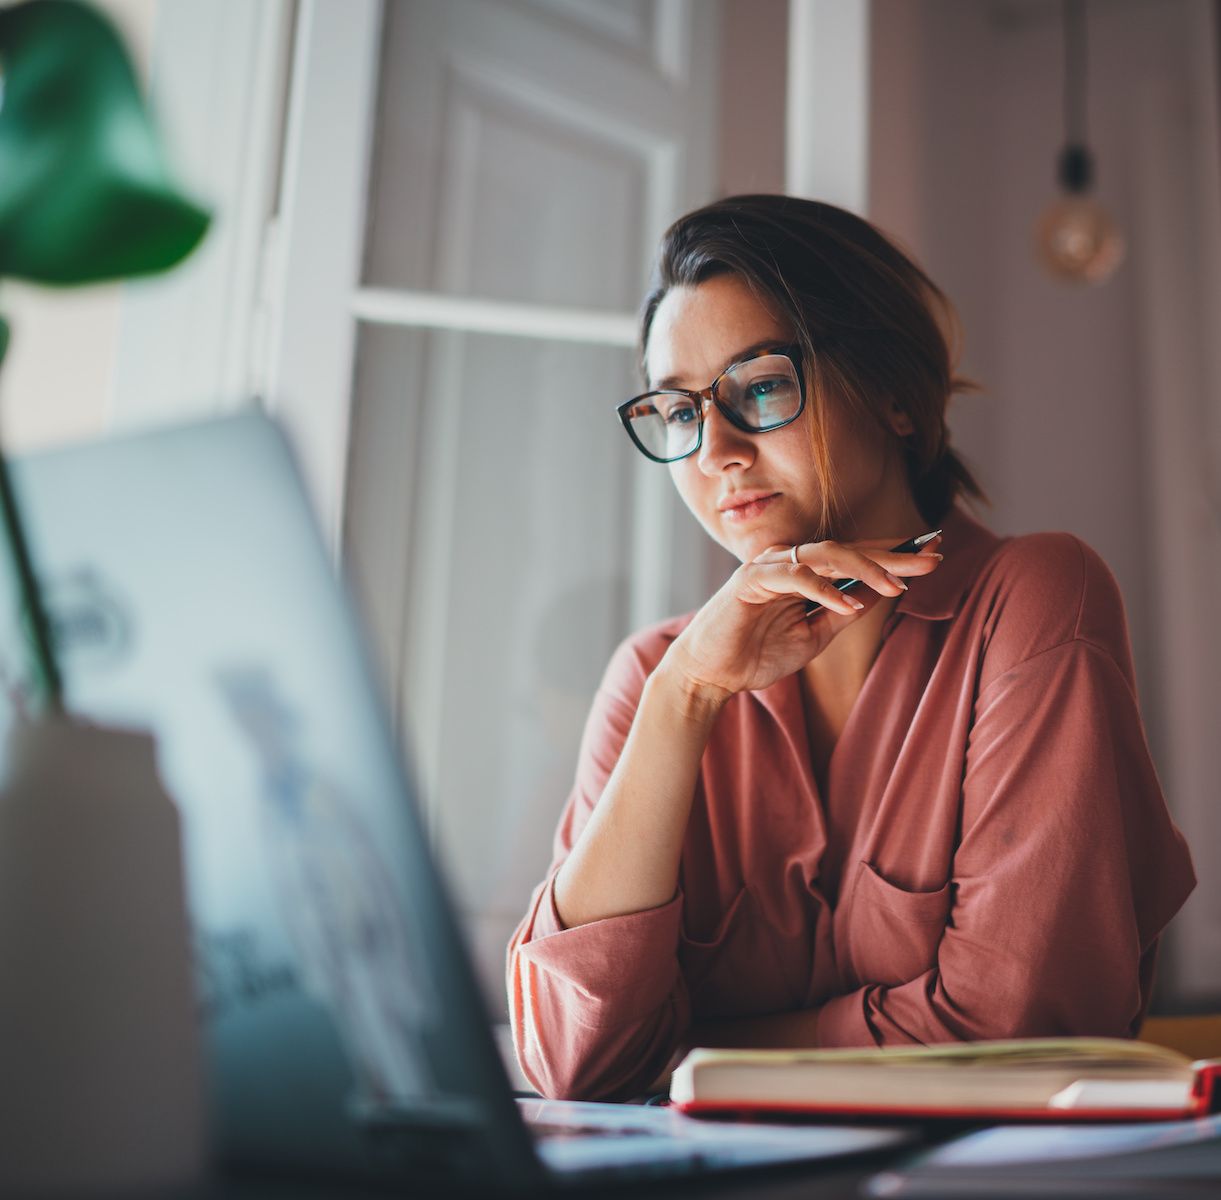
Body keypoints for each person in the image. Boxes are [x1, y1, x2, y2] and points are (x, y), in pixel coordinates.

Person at [506, 194, 1196, 1103]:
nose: (713, 449)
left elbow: (1017, 1035)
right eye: (677, 413)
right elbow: (569, 1062)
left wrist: (687, 1052)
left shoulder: (1031, 602)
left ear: (896, 397)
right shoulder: (654, 677)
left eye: (757, 386)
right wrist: (684, 700)